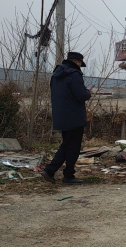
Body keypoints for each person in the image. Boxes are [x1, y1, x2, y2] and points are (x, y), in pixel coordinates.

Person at [41, 52, 91, 185]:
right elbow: (81, 95)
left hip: (61, 116)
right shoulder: (74, 74)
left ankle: (51, 170)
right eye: (80, 63)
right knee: (72, 147)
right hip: (74, 116)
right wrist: (87, 92)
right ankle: (67, 175)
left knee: (67, 144)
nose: (80, 66)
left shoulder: (56, 75)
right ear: (76, 62)